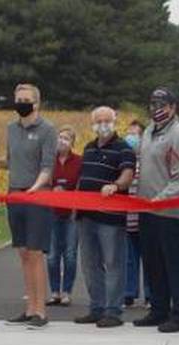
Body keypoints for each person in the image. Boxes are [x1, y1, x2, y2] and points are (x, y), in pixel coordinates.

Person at [0, 84, 58, 329]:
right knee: (24, 253)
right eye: (19, 99)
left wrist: (35, 188)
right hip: (15, 194)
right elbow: (13, 159)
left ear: (36, 103)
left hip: (37, 195)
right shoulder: (11, 129)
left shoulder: (47, 130)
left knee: (36, 253)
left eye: (26, 99)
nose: (22, 103)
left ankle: (41, 310)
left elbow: (47, 166)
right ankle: (29, 307)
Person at [136, 88, 179, 333]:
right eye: (153, 104)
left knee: (172, 262)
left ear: (173, 107)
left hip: (169, 211)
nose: (157, 109)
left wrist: (160, 200)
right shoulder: (149, 130)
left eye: (162, 104)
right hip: (146, 208)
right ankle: (158, 309)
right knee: (152, 262)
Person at [74, 106, 136, 328]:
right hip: (86, 216)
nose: (102, 124)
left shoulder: (124, 149)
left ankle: (113, 311)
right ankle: (97, 307)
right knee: (90, 264)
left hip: (110, 217)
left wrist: (116, 186)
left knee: (113, 263)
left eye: (106, 120)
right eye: (98, 120)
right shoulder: (89, 148)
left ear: (114, 121)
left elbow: (127, 174)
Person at [47, 125, 82, 307]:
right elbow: (42, 182)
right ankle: (54, 291)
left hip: (71, 214)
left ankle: (67, 291)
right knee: (52, 255)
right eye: (60, 137)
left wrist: (68, 194)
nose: (62, 141)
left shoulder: (79, 161)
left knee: (69, 254)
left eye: (66, 138)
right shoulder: (49, 161)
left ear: (72, 143)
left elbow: (81, 186)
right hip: (52, 212)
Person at [121, 119, 150, 309]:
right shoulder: (123, 161)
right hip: (126, 217)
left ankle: (150, 295)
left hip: (144, 217)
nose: (131, 138)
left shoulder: (148, 162)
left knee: (148, 258)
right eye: (129, 134)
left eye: (135, 134)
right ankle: (128, 293)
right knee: (128, 259)